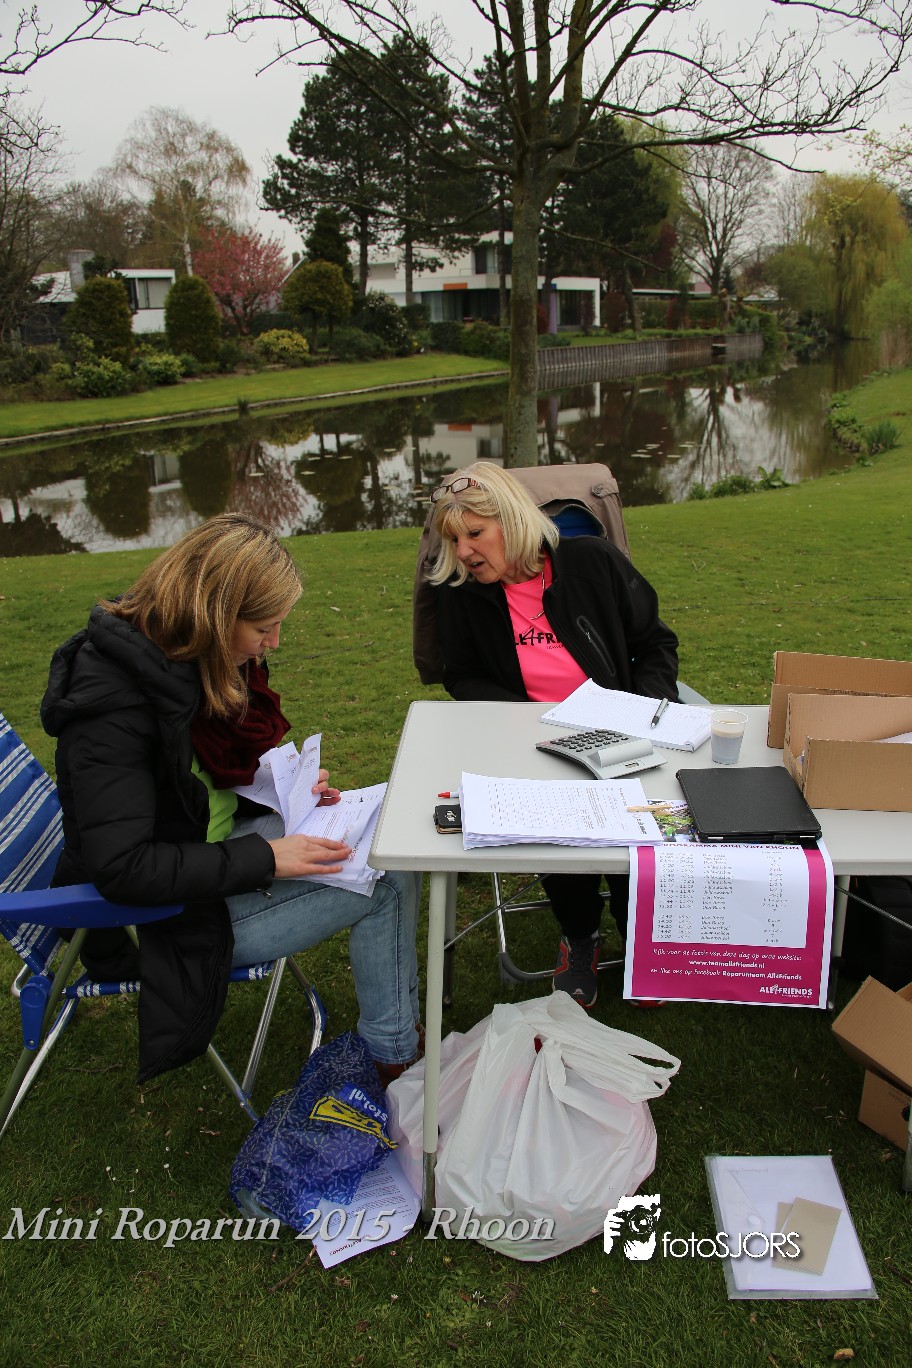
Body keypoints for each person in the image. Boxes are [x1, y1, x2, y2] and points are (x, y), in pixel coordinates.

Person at [41, 514, 420, 1087]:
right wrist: (267, 858)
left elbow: (189, 787)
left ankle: (400, 1029)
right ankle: (395, 1060)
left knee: (385, 831)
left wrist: (287, 793)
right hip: (161, 920)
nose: (274, 643)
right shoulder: (113, 711)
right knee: (386, 877)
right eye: (264, 627)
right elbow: (124, 867)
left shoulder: (172, 660)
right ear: (215, 616)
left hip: (205, 860)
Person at [429, 460, 678, 1008]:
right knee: (557, 827)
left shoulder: (592, 562)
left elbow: (656, 643)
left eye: (475, 534)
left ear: (512, 521)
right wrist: (527, 719)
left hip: (619, 731)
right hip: (534, 740)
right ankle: (580, 934)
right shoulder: (462, 593)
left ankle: (639, 933)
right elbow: (460, 676)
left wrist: (644, 710)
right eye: (454, 540)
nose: (464, 552)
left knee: (639, 827)